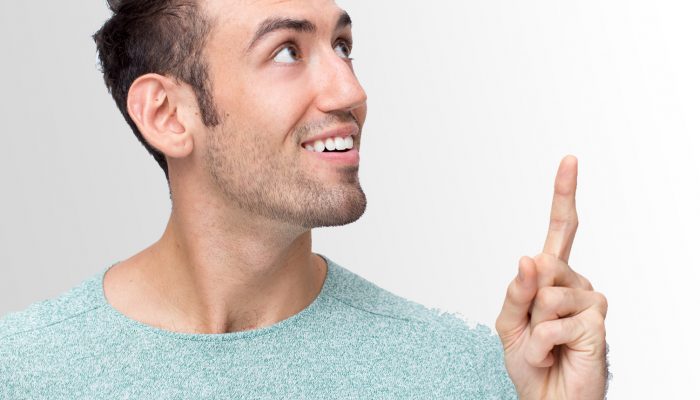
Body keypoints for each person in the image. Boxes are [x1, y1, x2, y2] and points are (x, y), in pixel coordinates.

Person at [0, 0, 609, 398]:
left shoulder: (465, 373)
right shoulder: (22, 371)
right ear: (166, 114)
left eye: (342, 45)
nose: (350, 88)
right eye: (287, 51)